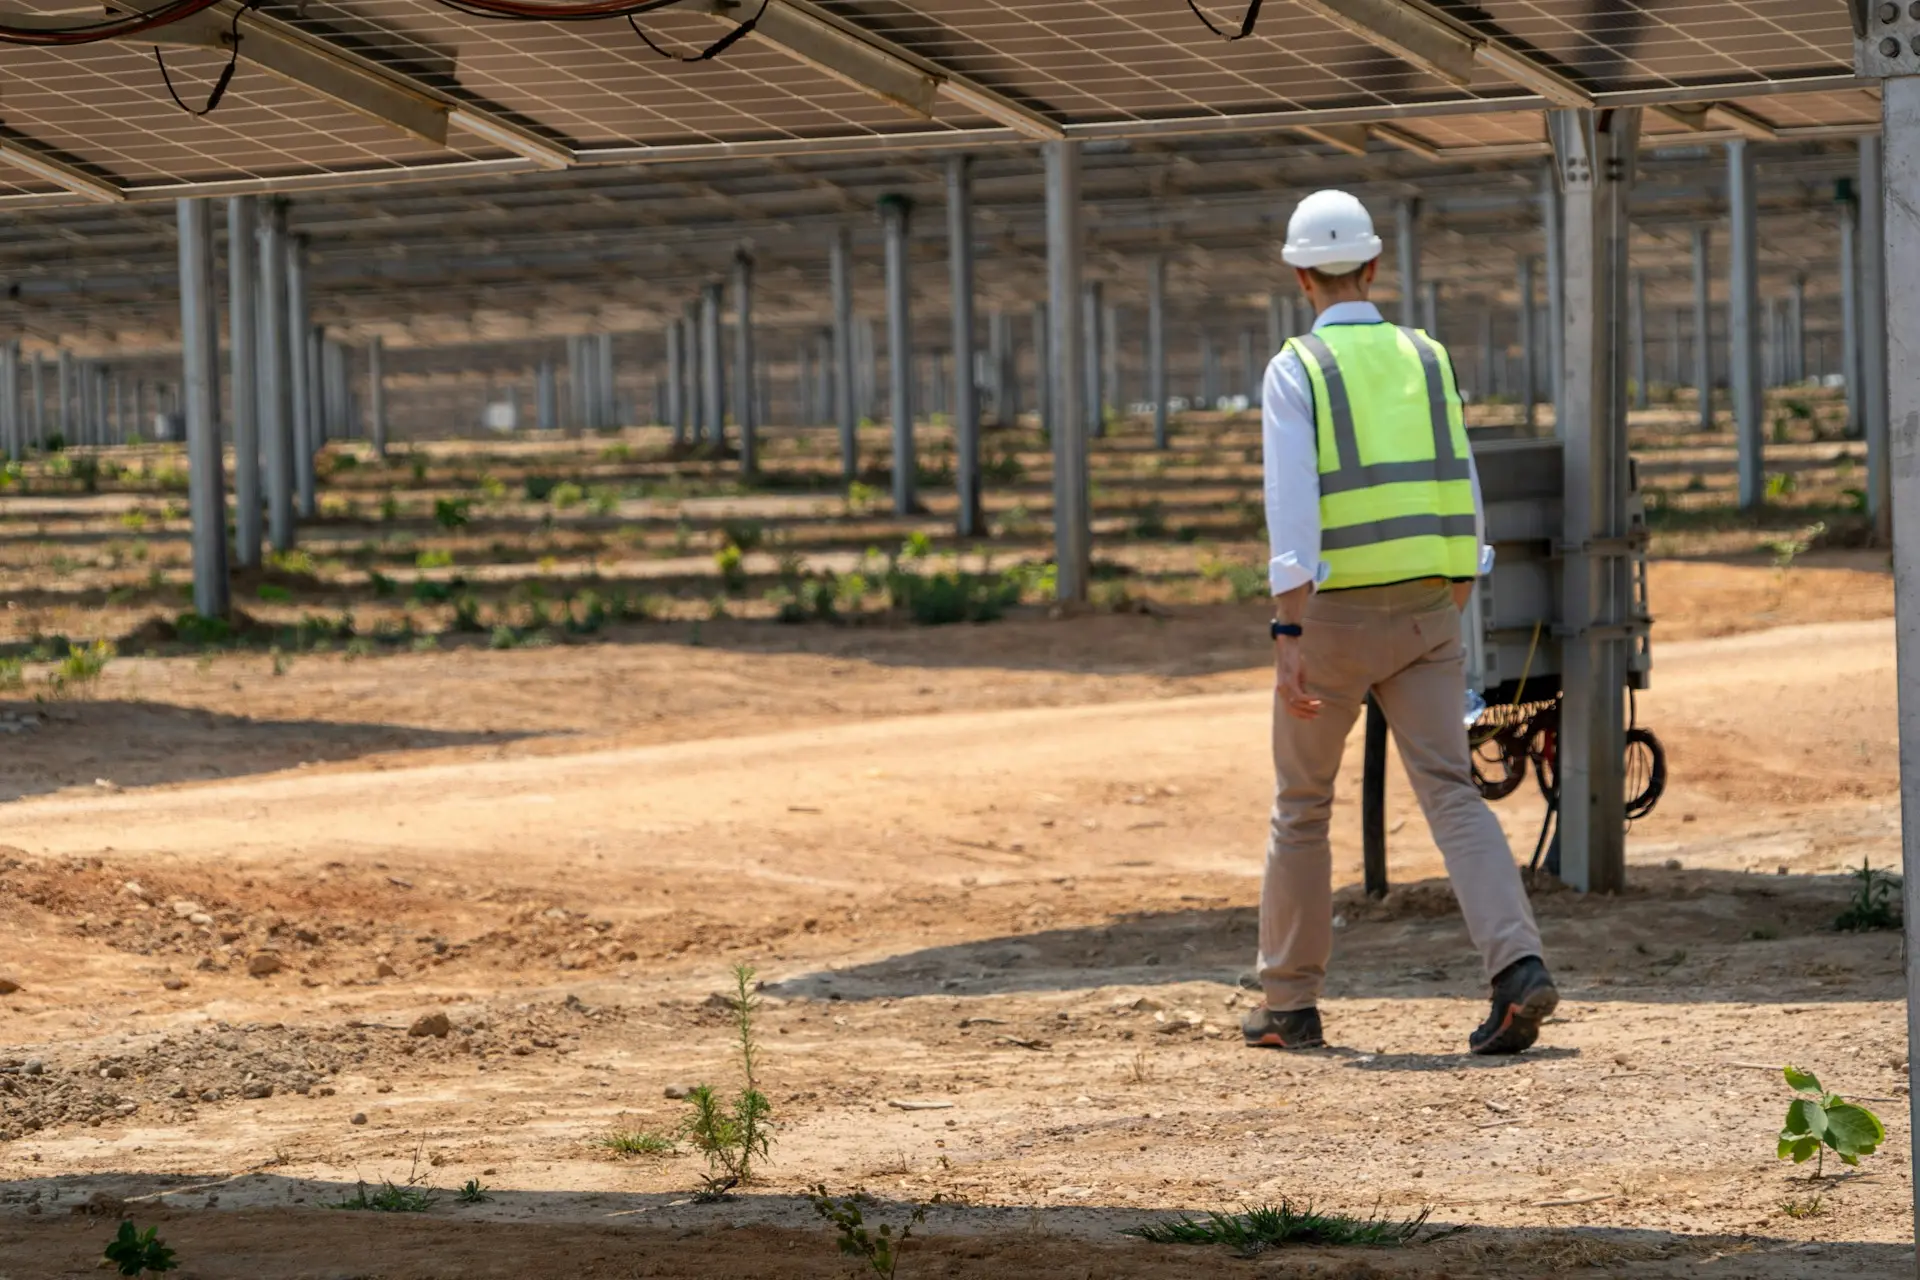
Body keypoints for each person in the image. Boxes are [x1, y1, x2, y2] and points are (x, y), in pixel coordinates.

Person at [1240, 189, 1557, 1057]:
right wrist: (1459, 582)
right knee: (1452, 795)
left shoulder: (1295, 369)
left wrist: (1289, 632)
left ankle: (1289, 1005)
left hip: (1333, 619)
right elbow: (1462, 477)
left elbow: (1292, 509)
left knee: (1302, 805)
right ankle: (1518, 968)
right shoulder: (1426, 355)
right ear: (1374, 266)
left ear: (1301, 275)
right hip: (1428, 606)